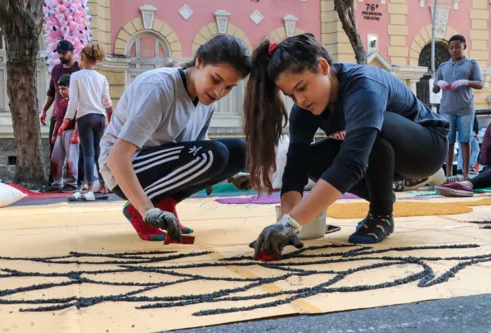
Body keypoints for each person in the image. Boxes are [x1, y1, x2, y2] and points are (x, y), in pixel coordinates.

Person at [243, 33, 449, 256]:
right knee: (308, 160)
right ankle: (382, 194)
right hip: (380, 156)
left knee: (374, 131)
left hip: (427, 149)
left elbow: (351, 163)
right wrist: (286, 220)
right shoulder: (304, 108)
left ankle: (381, 213)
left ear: (322, 67)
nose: (299, 100)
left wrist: (292, 223)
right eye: (290, 95)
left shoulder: (364, 88)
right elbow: (294, 167)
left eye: (302, 87)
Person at [98, 34, 251, 242]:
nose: (218, 91)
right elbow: (117, 158)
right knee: (214, 154)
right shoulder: (159, 88)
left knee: (241, 151)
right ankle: (140, 208)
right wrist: (146, 210)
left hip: (158, 166)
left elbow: (199, 145)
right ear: (199, 61)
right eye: (215, 79)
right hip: (121, 170)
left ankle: (165, 203)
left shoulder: (207, 101)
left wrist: (231, 174)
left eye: (229, 87)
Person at [59, 44, 112, 201]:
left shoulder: (76, 76)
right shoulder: (102, 78)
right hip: (100, 117)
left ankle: (89, 187)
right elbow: (107, 101)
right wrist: (111, 115)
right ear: (95, 61)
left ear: (81, 58)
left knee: (88, 154)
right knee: (99, 153)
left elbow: (73, 101)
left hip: (85, 118)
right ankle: (103, 185)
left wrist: (66, 120)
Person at [433, 35, 483, 180]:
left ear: (464, 47)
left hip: (465, 108)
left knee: (465, 141)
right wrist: (439, 83)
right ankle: (448, 175)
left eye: (457, 47)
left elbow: (480, 84)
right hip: (446, 109)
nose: (454, 50)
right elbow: (435, 90)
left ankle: (466, 175)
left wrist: (465, 82)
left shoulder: (471, 64)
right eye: (451, 48)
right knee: (448, 142)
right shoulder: (443, 66)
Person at [40, 40, 83, 188]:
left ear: (72, 52)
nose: (61, 55)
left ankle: (75, 182)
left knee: (74, 154)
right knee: (54, 152)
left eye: (63, 53)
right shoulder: (56, 69)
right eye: (59, 53)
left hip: (74, 119)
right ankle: (54, 182)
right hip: (57, 117)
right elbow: (51, 92)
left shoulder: (79, 70)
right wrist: (44, 110)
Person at [48, 74, 80, 192]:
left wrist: (76, 134)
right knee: (55, 159)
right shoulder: (61, 102)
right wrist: (54, 134)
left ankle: (71, 183)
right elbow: (58, 119)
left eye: (64, 88)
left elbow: (77, 119)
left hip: (71, 132)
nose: (61, 91)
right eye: (60, 89)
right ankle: (57, 183)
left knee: (71, 159)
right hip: (60, 134)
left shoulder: (75, 102)